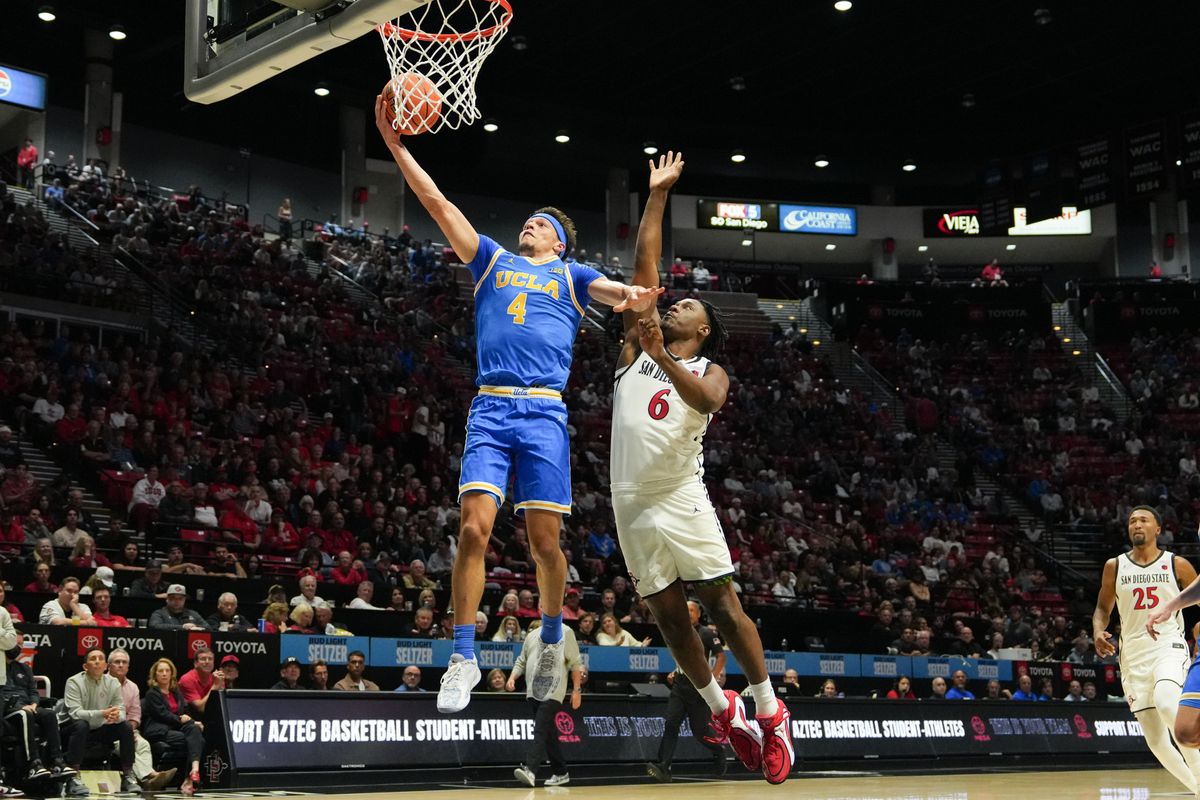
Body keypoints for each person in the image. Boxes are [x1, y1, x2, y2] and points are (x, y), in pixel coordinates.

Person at [373, 95, 662, 714]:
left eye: (539, 222)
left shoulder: (574, 275)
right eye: (527, 220)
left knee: (544, 546)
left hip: (544, 415)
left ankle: (552, 636)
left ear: (558, 240)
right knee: (472, 529)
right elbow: (437, 204)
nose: (526, 224)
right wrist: (397, 146)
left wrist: (638, 295)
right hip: (492, 408)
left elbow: (623, 294)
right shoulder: (492, 261)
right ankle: (461, 655)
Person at [607, 152, 791, 784]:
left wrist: (665, 355)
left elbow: (707, 401)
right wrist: (656, 195)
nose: (678, 303)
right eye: (674, 302)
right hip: (628, 498)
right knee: (666, 617)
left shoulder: (711, 370)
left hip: (679, 492)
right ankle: (725, 712)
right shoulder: (637, 341)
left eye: (690, 306)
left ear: (705, 331)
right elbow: (645, 269)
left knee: (719, 601)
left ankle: (769, 709)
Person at [1095, 506, 1200, 794]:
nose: (1136, 524)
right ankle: (1197, 787)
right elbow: (1103, 608)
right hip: (1132, 655)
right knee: (1155, 739)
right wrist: (1096, 630)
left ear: (1158, 529)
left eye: (1143, 520)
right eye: (1132, 521)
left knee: (1168, 704)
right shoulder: (1114, 566)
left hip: (1168, 645)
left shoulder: (1177, 564)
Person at [647, 602, 726, 782]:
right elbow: (684, 657)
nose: (688, 613)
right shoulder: (678, 631)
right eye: (686, 609)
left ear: (698, 614)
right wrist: (676, 670)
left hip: (699, 687)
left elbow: (721, 656)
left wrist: (712, 677)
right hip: (680, 685)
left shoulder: (706, 633)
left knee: (700, 730)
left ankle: (718, 750)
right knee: (671, 724)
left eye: (691, 610)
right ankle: (663, 766)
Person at [508, 625, 583, 788]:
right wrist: (512, 677)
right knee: (548, 734)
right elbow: (522, 660)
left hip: (554, 691)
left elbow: (576, 663)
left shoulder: (566, 632)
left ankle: (531, 770)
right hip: (533, 692)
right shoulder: (532, 635)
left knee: (540, 728)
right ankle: (561, 772)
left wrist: (576, 690)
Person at [63, 649, 138, 795]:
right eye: (93, 659)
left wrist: (116, 716)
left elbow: (121, 710)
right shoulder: (74, 681)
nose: (97, 661)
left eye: (100, 658)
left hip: (101, 728)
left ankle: (128, 774)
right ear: (85, 666)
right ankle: (73, 775)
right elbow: (75, 713)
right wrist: (102, 714)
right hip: (73, 730)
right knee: (81, 724)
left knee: (126, 726)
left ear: (105, 666)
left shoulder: (113, 682)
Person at [3, 632, 72, 789]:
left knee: (49, 714)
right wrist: (21, 707)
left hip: (28, 706)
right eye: (15, 643)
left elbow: (33, 692)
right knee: (24, 713)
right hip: (7, 707)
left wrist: (34, 704)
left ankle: (57, 762)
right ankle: (33, 764)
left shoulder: (24, 669)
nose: (17, 647)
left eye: (21, 644)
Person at [107, 650, 176, 791]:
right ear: (109, 666)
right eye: (117, 662)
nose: (121, 665)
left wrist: (130, 730)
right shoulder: (102, 683)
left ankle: (146, 782)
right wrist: (124, 732)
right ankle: (151, 774)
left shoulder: (133, 687)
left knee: (143, 744)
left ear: (128, 667)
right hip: (108, 731)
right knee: (125, 745)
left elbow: (135, 714)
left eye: (124, 662)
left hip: (128, 729)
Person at [141, 658, 204, 796]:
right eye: (160, 671)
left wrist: (193, 721)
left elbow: (186, 711)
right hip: (160, 729)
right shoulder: (152, 693)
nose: (164, 673)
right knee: (194, 740)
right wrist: (181, 720)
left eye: (167, 671)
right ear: (155, 675)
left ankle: (194, 770)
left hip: (176, 728)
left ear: (171, 674)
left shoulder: (176, 693)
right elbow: (162, 715)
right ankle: (188, 779)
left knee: (195, 731)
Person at [177, 648, 224, 722]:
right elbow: (201, 708)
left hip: (211, 717)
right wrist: (215, 686)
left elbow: (222, 705)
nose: (207, 662)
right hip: (190, 719)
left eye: (210, 659)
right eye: (203, 659)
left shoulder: (217, 678)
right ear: (195, 663)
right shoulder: (187, 679)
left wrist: (219, 683)